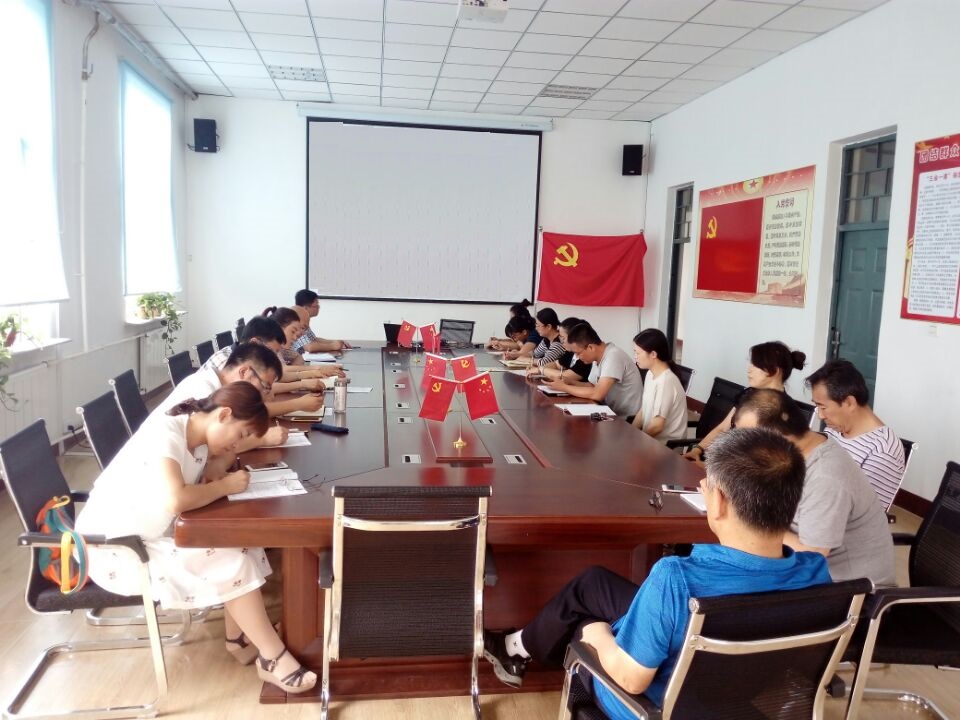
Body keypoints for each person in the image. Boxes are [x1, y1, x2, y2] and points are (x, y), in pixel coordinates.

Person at [482, 427, 830, 717]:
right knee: (594, 583)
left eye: (707, 486)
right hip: (739, 696)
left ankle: (524, 651)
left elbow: (631, 680)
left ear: (720, 502)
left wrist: (597, 635)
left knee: (584, 624)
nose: (703, 490)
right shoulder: (816, 573)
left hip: (652, 707)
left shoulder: (676, 579)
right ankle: (517, 647)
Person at [76, 383, 317, 694]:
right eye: (240, 435)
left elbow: (212, 464)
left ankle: (239, 639)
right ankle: (272, 659)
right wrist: (225, 486)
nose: (236, 445)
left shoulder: (196, 436)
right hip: (116, 551)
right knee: (232, 561)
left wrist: (218, 467)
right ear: (224, 415)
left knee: (244, 542)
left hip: (150, 538)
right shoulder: (165, 434)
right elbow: (176, 499)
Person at [732, 387, 895, 587]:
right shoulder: (802, 449)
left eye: (749, 441)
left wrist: (754, 524)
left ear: (779, 437)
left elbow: (812, 555)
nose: (745, 449)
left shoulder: (826, 476)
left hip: (847, 591)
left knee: (723, 591)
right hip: (809, 576)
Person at [806, 359, 905, 510]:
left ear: (849, 403)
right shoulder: (835, 429)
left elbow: (863, 514)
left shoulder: (882, 451)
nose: (820, 415)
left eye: (823, 407)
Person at [685, 340, 806, 463]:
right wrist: (697, 450)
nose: (749, 370)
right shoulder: (748, 394)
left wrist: (705, 466)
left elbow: (756, 461)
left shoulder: (780, 411)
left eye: (756, 365)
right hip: (720, 460)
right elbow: (722, 428)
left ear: (775, 370)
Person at [543, 323, 643, 417]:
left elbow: (597, 394)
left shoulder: (613, 356)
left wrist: (564, 387)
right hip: (610, 412)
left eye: (578, 353)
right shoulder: (599, 356)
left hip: (627, 419)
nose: (577, 357)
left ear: (590, 347)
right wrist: (570, 382)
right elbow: (592, 386)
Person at [203, 316, 343, 380]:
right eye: (293, 331)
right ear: (255, 343)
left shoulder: (246, 358)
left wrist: (314, 373)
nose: (297, 336)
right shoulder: (228, 363)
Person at [630, 329, 687, 442]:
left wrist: (635, 441)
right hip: (650, 441)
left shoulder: (667, 381)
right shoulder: (650, 374)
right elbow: (643, 410)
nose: (635, 357)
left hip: (665, 447)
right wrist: (630, 434)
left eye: (638, 353)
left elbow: (657, 426)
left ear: (653, 354)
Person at [291, 289, 352, 354]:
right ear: (305, 308)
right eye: (316, 305)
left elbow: (314, 339)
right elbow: (309, 347)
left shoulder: (304, 322)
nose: (319, 307)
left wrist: (335, 342)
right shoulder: (297, 322)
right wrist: (333, 346)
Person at [538, 317, 593, 383]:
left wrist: (541, 369)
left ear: (573, 337)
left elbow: (565, 376)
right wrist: (544, 370)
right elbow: (556, 364)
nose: (561, 341)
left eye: (563, 338)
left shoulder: (585, 355)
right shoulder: (570, 352)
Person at [525, 308, 565, 374]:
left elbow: (544, 362)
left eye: (538, 325)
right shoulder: (546, 340)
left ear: (548, 326)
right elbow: (534, 354)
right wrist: (517, 354)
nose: (536, 328)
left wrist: (523, 359)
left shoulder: (559, 343)